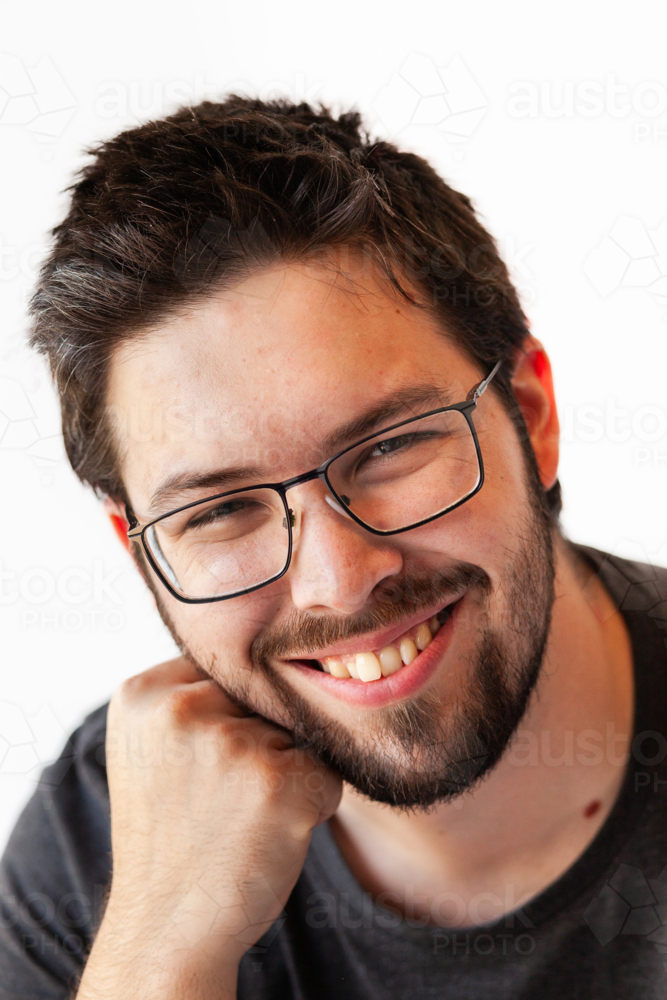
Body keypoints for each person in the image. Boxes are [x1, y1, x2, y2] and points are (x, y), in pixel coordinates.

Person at [1, 95, 666, 1000]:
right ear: (139, 550)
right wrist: (159, 948)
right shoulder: (103, 851)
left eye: (390, 448)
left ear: (532, 417)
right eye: (221, 511)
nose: (339, 581)